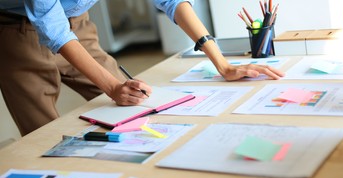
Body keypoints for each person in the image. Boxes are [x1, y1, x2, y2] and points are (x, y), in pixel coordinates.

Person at [0, 0, 284, 136]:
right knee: (44, 132)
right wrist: (112, 87)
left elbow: (172, 2)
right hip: (15, 28)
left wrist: (222, 64)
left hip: (76, 21)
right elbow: (54, 31)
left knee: (134, 104)